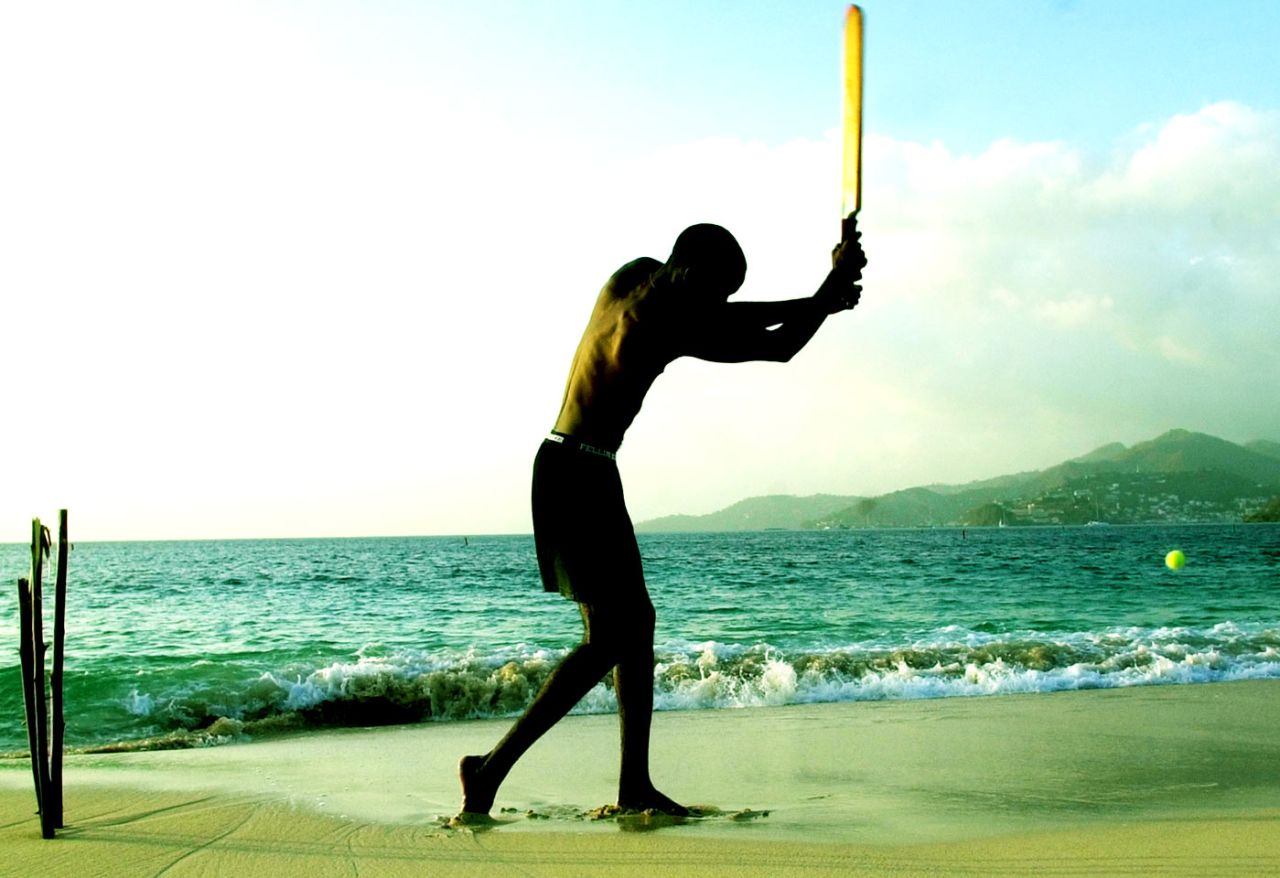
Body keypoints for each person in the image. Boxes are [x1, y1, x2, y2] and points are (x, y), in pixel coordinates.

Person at [457, 215, 867, 818]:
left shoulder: (629, 280)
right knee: (611, 639)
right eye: (719, 287)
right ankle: (489, 770)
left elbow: (737, 315)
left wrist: (822, 295)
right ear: (694, 273)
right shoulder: (663, 322)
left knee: (633, 626)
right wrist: (826, 297)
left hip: (578, 465)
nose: (721, 301)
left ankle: (632, 787)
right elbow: (775, 343)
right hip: (577, 475)